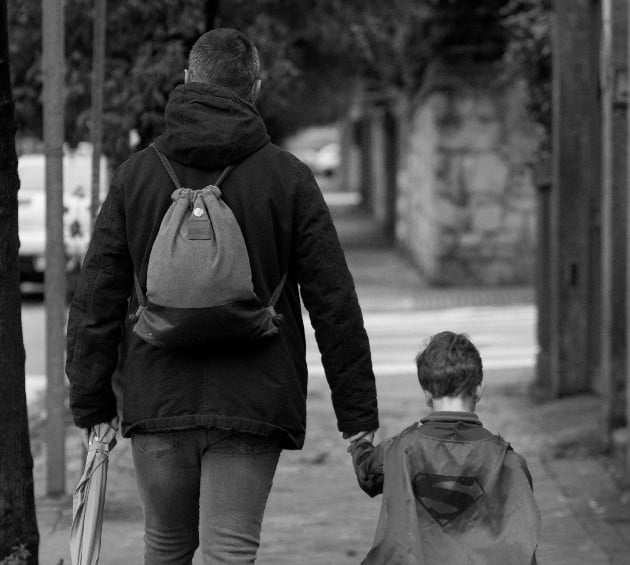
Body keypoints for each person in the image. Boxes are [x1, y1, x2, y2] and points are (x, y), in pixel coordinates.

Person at [66, 28, 378, 565]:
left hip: (157, 396)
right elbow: (334, 303)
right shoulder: (289, 179)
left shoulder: (135, 178)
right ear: (254, 89)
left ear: (188, 81)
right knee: (230, 553)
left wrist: (92, 403)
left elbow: (95, 299)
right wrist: (358, 421)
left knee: (164, 546)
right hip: (253, 400)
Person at [350, 331, 540, 565]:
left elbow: (368, 474)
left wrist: (361, 442)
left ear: (427, 393)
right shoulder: (509, 463)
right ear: (479, 388)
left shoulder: (401, 450)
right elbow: (521, 541)